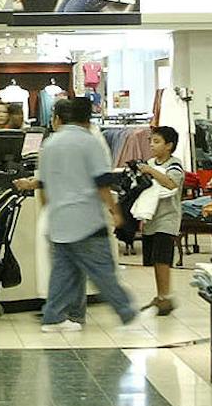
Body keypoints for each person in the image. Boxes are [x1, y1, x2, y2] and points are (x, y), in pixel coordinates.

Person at [22, 95, 141, 334]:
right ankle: (127, 313)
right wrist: (115, 212)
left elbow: (43, 184)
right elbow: (102, 182)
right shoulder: (90, 142)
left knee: (62, 273)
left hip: (58, 219)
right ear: (88, 118)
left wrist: (49, 211)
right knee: (103, 270)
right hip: (86, 218)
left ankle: (53, 317)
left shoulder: (50, 144)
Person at [134, 125, 185, 316]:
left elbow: (171, 183)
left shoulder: (174, 165)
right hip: (150, 218)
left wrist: (150, 170)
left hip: (167, 219)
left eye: (157, 142)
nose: (152, 145)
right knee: (155, 260)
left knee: (163, 258)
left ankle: (165, 296)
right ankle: (161, 295)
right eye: (151, 141)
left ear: (169, 146)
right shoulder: (150, 162)